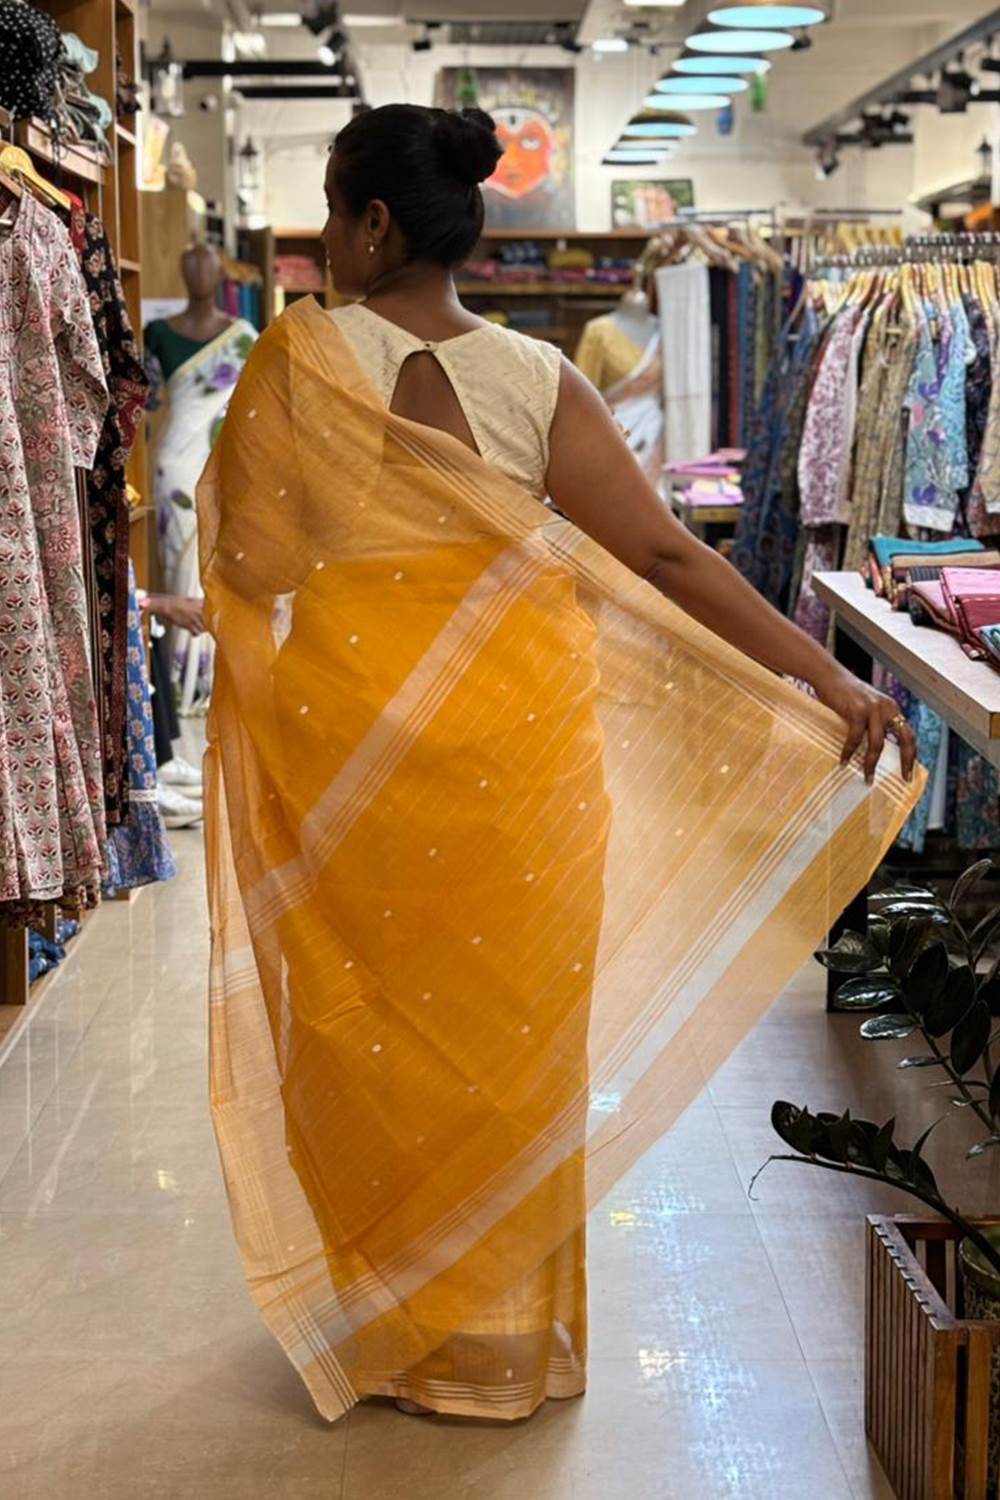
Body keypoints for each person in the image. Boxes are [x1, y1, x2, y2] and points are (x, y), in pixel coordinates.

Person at [199, 104, 921, 1428]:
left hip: (351, 754)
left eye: (332, 214)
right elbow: (661, 556)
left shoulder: (299, 366)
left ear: (374, 223)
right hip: (522, 759)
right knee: (513, 1044)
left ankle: (396, 1327)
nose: (322, 243)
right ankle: (500, 1339)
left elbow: (256, 561)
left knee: (367, 1033)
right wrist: (821, 675)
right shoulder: (537, 380)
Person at [146, 245, 257, 714]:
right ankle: (179, 681)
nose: (198, 274)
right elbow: (146, 399)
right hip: (175, 464)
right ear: (181, 272)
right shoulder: (156, 334)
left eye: (206, 267)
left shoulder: (243, 336)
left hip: (220, 462)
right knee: (178, 562)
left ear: (219, 275)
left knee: (215, 561)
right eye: (190, 266)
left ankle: (208, 677)